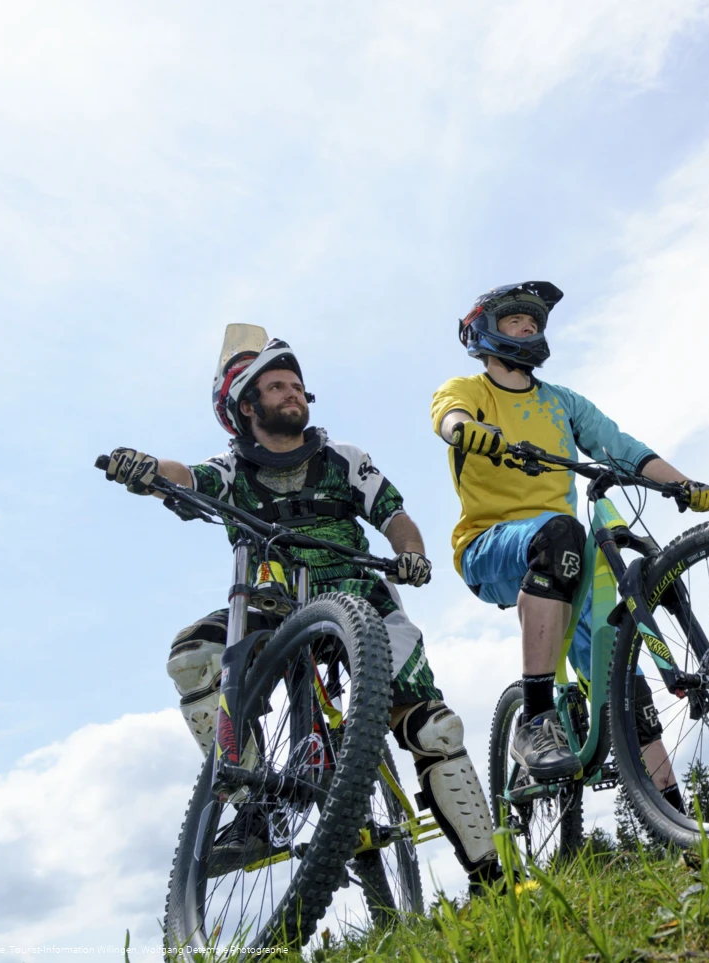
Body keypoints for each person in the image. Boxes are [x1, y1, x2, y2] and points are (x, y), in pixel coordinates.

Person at [103, 332, 500, 889]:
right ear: (248, 405)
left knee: (435, 729)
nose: (294, 394)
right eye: (277, 386)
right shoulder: (231, 469)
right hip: (273, 603)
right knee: (191, 656)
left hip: (361, 598)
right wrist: (146, 470)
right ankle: (255, 802)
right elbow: (188, 480)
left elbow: (395, 517)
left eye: (297, 386)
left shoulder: (345, 459)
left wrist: (410, 556)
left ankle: (493, 878)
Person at [431, 282, 709, 800]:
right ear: (483, 330)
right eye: (516, 320)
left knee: (626, 682)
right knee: (564, 534)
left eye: (534, 323)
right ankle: (535, 718)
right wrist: (466, 431)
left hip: (563, 557)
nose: (528, 329)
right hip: (489, 544)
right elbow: (448, 417)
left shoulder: (561, 402)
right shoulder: (470, 390)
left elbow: (621, 447)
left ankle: (679, 827)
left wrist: (680, 483)